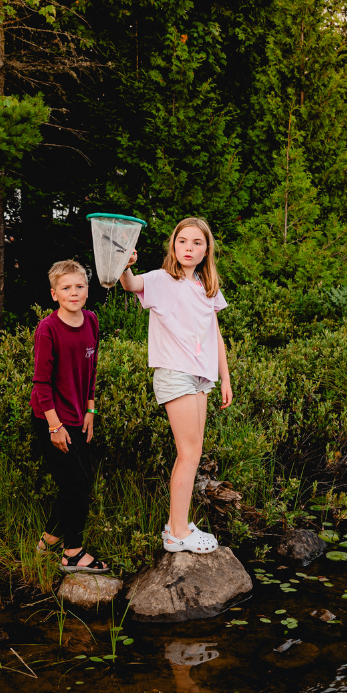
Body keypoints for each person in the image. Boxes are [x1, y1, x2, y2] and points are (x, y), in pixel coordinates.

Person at [118, 217, 232, 554]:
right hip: (174, 373)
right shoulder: (161, 279)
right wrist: (125, 265)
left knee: (193, 453)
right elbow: (130, 284)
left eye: (197, 243)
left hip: (201, 376)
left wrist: (224, 377)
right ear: (174, 245)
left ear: (206, 249)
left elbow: (216, 336)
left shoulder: (206, 286)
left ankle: (177, 525)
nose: (189, 248)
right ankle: (177, 533)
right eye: (183, 241)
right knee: (189, 453)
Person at [31, 260, 110, 574]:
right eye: (66, 288)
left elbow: (91, 370)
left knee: (78, 482)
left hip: (79, 416)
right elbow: (40, 384)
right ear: (54, 294)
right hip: (52, 419)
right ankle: (73, 554)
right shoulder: (48, 329)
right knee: (76, 484)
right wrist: (55, 426)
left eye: (79, 286)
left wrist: (90, 409)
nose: (74, 293)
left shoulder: (91, 321)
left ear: (88, 290)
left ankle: (48, 539)